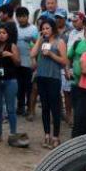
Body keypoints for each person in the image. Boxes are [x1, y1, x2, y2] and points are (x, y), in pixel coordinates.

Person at [31, 18, 67, 149]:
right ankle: (46, 135)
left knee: (55, 108)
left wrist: (51, 54)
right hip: (41, 76)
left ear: (53, 29)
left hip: (54, 78)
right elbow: (33, 54)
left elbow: (64, 61)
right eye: (43, 28)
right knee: (45, 107)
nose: (45, 30)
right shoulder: (42, 41)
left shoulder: (60, 42)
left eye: (47, 28)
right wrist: (40, 39)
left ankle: (56, 136)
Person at [0, 23, 20, 143]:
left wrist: (11, 55)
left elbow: (18, 63)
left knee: (11, 108)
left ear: (8, 35)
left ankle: (13, 133)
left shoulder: (12, 46)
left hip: (10, 80)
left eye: (4, 33)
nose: (1, 35)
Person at [15, 7, 37, 118]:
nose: (21, 19)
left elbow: (38, 44)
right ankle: (20, 107)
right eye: (19, 16)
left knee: (29, 87)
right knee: (19, 87)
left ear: (27, 17)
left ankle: (30, 108)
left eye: (23, 16)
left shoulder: (34, 29)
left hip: (29, 63)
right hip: (18, 63)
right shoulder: (15, 28)